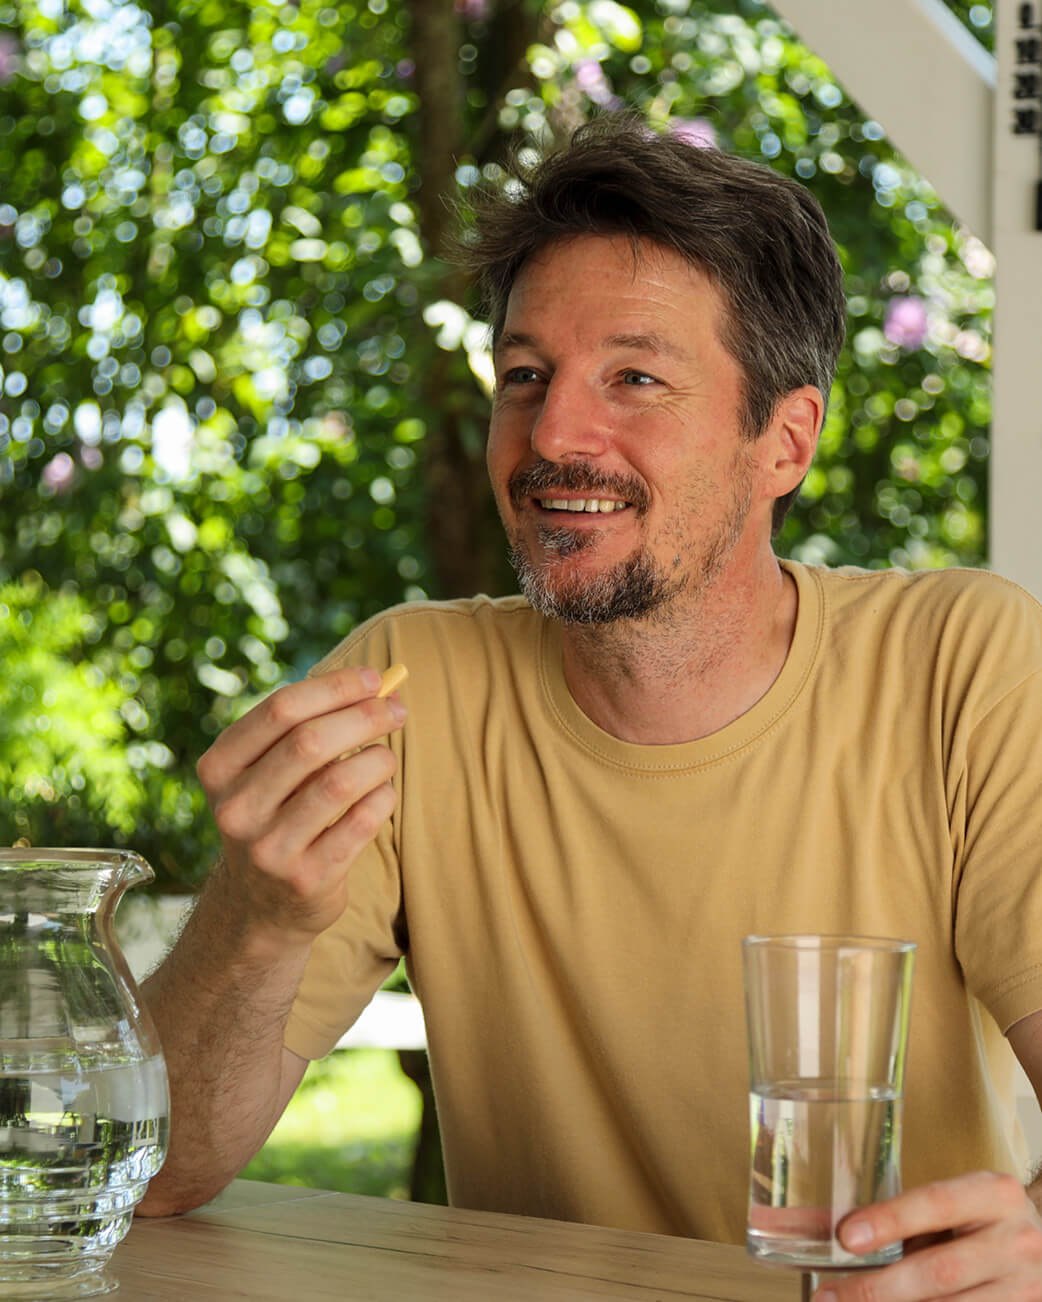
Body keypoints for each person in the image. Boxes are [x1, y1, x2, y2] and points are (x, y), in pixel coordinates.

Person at [138, 117, 1042, 1298]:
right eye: (526, 377)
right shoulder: (409, 689)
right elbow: (158, 1178)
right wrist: (251, 919)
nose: (553, 435)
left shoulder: (965, 666)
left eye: (636, 378)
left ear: (784, 441)